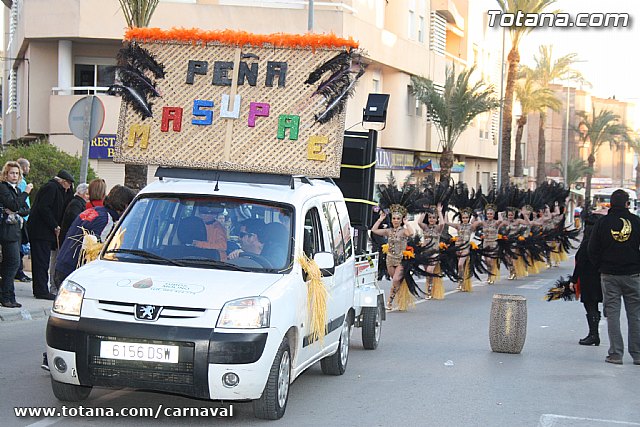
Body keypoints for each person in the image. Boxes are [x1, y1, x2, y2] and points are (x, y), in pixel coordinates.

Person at [588, 189, 640, 365]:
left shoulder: (603, 223)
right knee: (635, 315)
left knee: (613, 314)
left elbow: (592, 249)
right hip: (633, 274)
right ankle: (638, 354)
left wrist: (601, 266)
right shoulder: (636, 221)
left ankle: (616, 354)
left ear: (610, 204)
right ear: (627, 204)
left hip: (609, 275)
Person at [26, 170, 74, 300]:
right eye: (69, 184)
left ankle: (41, 288)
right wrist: (54, 225)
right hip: (41, 231)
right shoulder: (51, 188)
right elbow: (44, 208)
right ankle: (41, 290)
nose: (69, 188)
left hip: (44, 232)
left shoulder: (57, 189)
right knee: (41, 261)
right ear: (63, 182)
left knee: (43, 260)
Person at [0, 161, 32, 308]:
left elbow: (25, 209)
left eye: (17, 173)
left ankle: (10, 296)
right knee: (12, 263)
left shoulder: (17, 190)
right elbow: (13, 204)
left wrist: (15, 209)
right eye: (12, 173)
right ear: (6, 174)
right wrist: (25, 193)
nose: (14, 176)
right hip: (6, 231)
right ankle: (5, 296)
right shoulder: (3, 187)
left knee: (12, 263)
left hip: (15, 231)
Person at [570, 212, 603, 346]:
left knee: (590, 306)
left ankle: (594, 334)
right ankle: (594, 334)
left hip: (589, 280)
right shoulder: (602, 243)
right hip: (601, 278)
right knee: (594, 306)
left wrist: (573, 280)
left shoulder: (587, 244)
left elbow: (580, 264)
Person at [371, 205, 412, 309]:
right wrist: (380, 219)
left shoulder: (403, 231)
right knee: (396, 280)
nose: (396, 220)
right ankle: (400, 297)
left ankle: (389, 301)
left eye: (398, 218)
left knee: (396, 279)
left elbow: (411, 233)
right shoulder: (388, 231)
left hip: (401, 259)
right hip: (390, 259)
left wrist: (407, 223)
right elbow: (374, 230)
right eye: (394, 218)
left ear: (401, 219)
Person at [59, 183, 89, 253]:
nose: (88, 197)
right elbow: (75, 219)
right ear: (81, 193)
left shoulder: (76, 202)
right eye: (87, 194)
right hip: (70, 238)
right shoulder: (76, 204)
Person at [14, 158, 32, 283]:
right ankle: (19, 272)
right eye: (28, 166)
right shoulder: (22, 183)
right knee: (20, 247)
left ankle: (18, 271)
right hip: (21, 218)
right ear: (24, 167)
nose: (29, 169)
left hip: (22, 216)